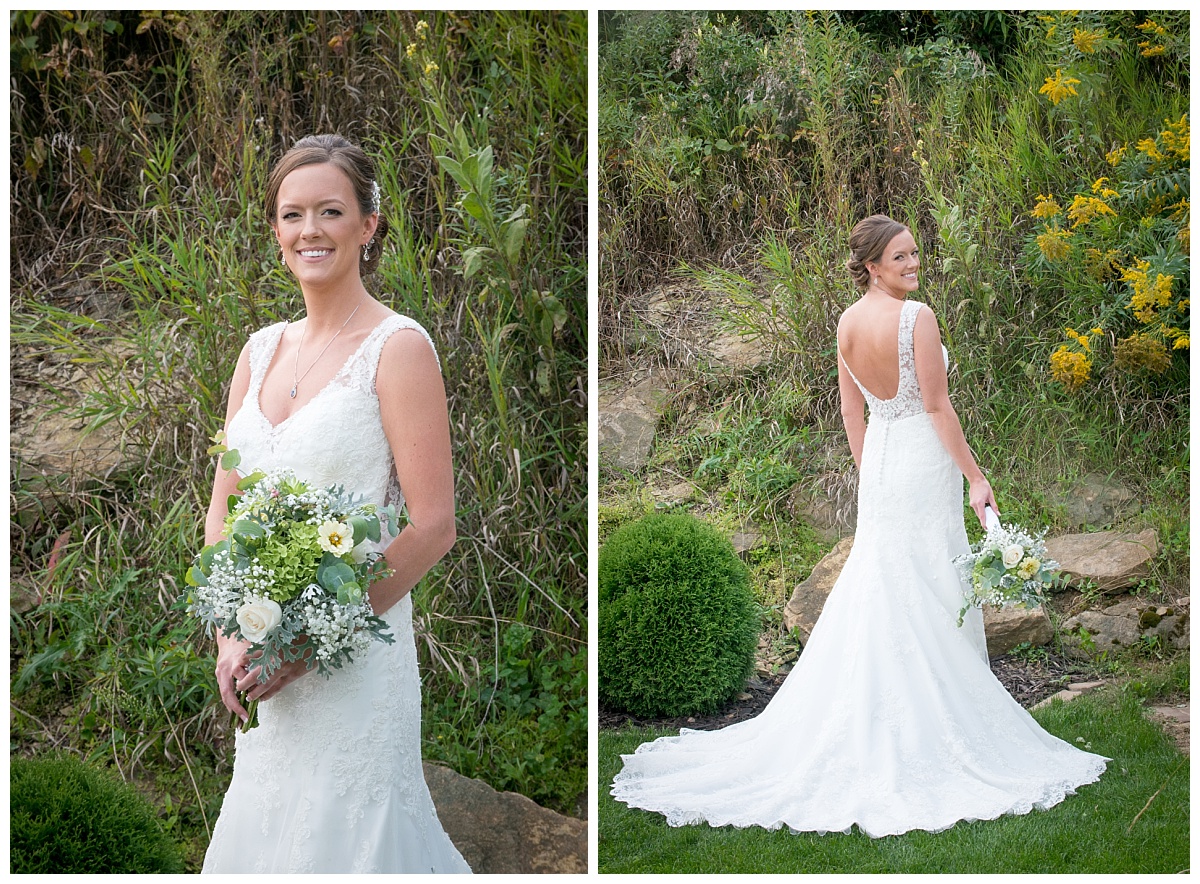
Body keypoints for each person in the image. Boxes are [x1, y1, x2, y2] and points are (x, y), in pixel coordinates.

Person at [610, 214, 1107, 838]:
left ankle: (884, 715)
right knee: (928, 584)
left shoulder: (846, 324)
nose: (912, 264)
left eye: (914, 254)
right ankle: (934, 726)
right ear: (872, 264)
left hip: (883, 467)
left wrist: (871, 475)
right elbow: (935, 405)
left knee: (891, 586)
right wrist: (976, 478)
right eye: (900, 257)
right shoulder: (915, 318)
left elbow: (854, 411)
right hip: (922, 461)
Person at [201, 134, 471, 873]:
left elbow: (433, 523)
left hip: (355, 661)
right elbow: (222, 513)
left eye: (330, 211)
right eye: (293, 215)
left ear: (368, 225)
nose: (309, 230)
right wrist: (234, 634)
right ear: (275, 230)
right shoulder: (257, 352)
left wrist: (312, 641)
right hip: (267, 667)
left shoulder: (398, 347)